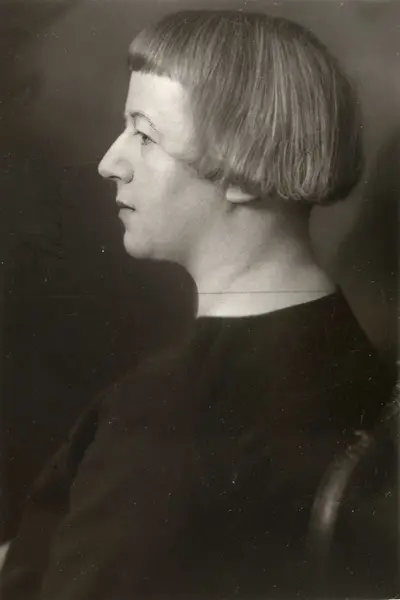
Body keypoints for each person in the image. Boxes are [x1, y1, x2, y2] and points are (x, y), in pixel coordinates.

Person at [0, 9, 395, 599]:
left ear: (245, 169)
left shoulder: (161, 427)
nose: (110, 163)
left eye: (144, 134)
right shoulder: (353, 360)